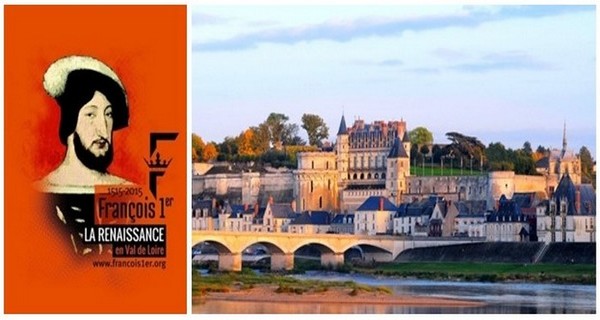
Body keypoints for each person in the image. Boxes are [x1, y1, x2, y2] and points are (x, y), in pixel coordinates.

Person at [36, 55, 133, 255]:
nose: (103, 130)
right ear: (70, 122)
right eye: (91, 114)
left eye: (108, 114)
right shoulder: (36, 197)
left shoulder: (131, 195)